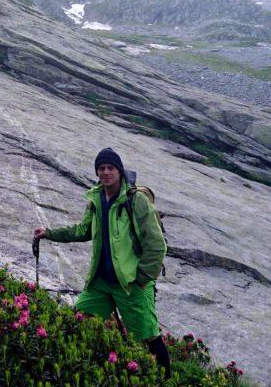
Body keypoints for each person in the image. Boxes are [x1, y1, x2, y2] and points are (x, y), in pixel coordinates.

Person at [33, 147, 171, 377]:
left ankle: (166, 380)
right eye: (101, 168)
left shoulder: (135, 201)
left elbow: (157, 245)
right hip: (101, 282)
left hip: (131, 283)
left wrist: (143, 278)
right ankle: (74, 369)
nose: (106, 172)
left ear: (119, 170)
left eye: (110, 168)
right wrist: (49, 233)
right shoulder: (96, 198)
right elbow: (83, 229)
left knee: (149, 337)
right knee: (75, 320)